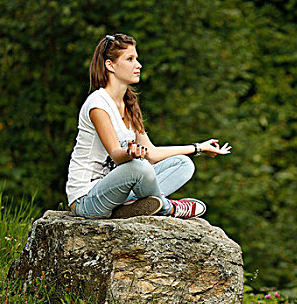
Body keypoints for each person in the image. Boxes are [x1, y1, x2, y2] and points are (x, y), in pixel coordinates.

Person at [66, 33, 231, 219]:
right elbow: (116, 154)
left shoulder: (129, 103)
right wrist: (131, 154)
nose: (138, 65)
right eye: (130, 59)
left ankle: (128, 208)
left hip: (118, 192)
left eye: (137, 58)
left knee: (183, 163)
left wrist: (198, 148)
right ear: (110, 65)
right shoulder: (98, 104)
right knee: (139, 167)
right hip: (87, 198)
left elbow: (151, 153)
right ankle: (168, 208)